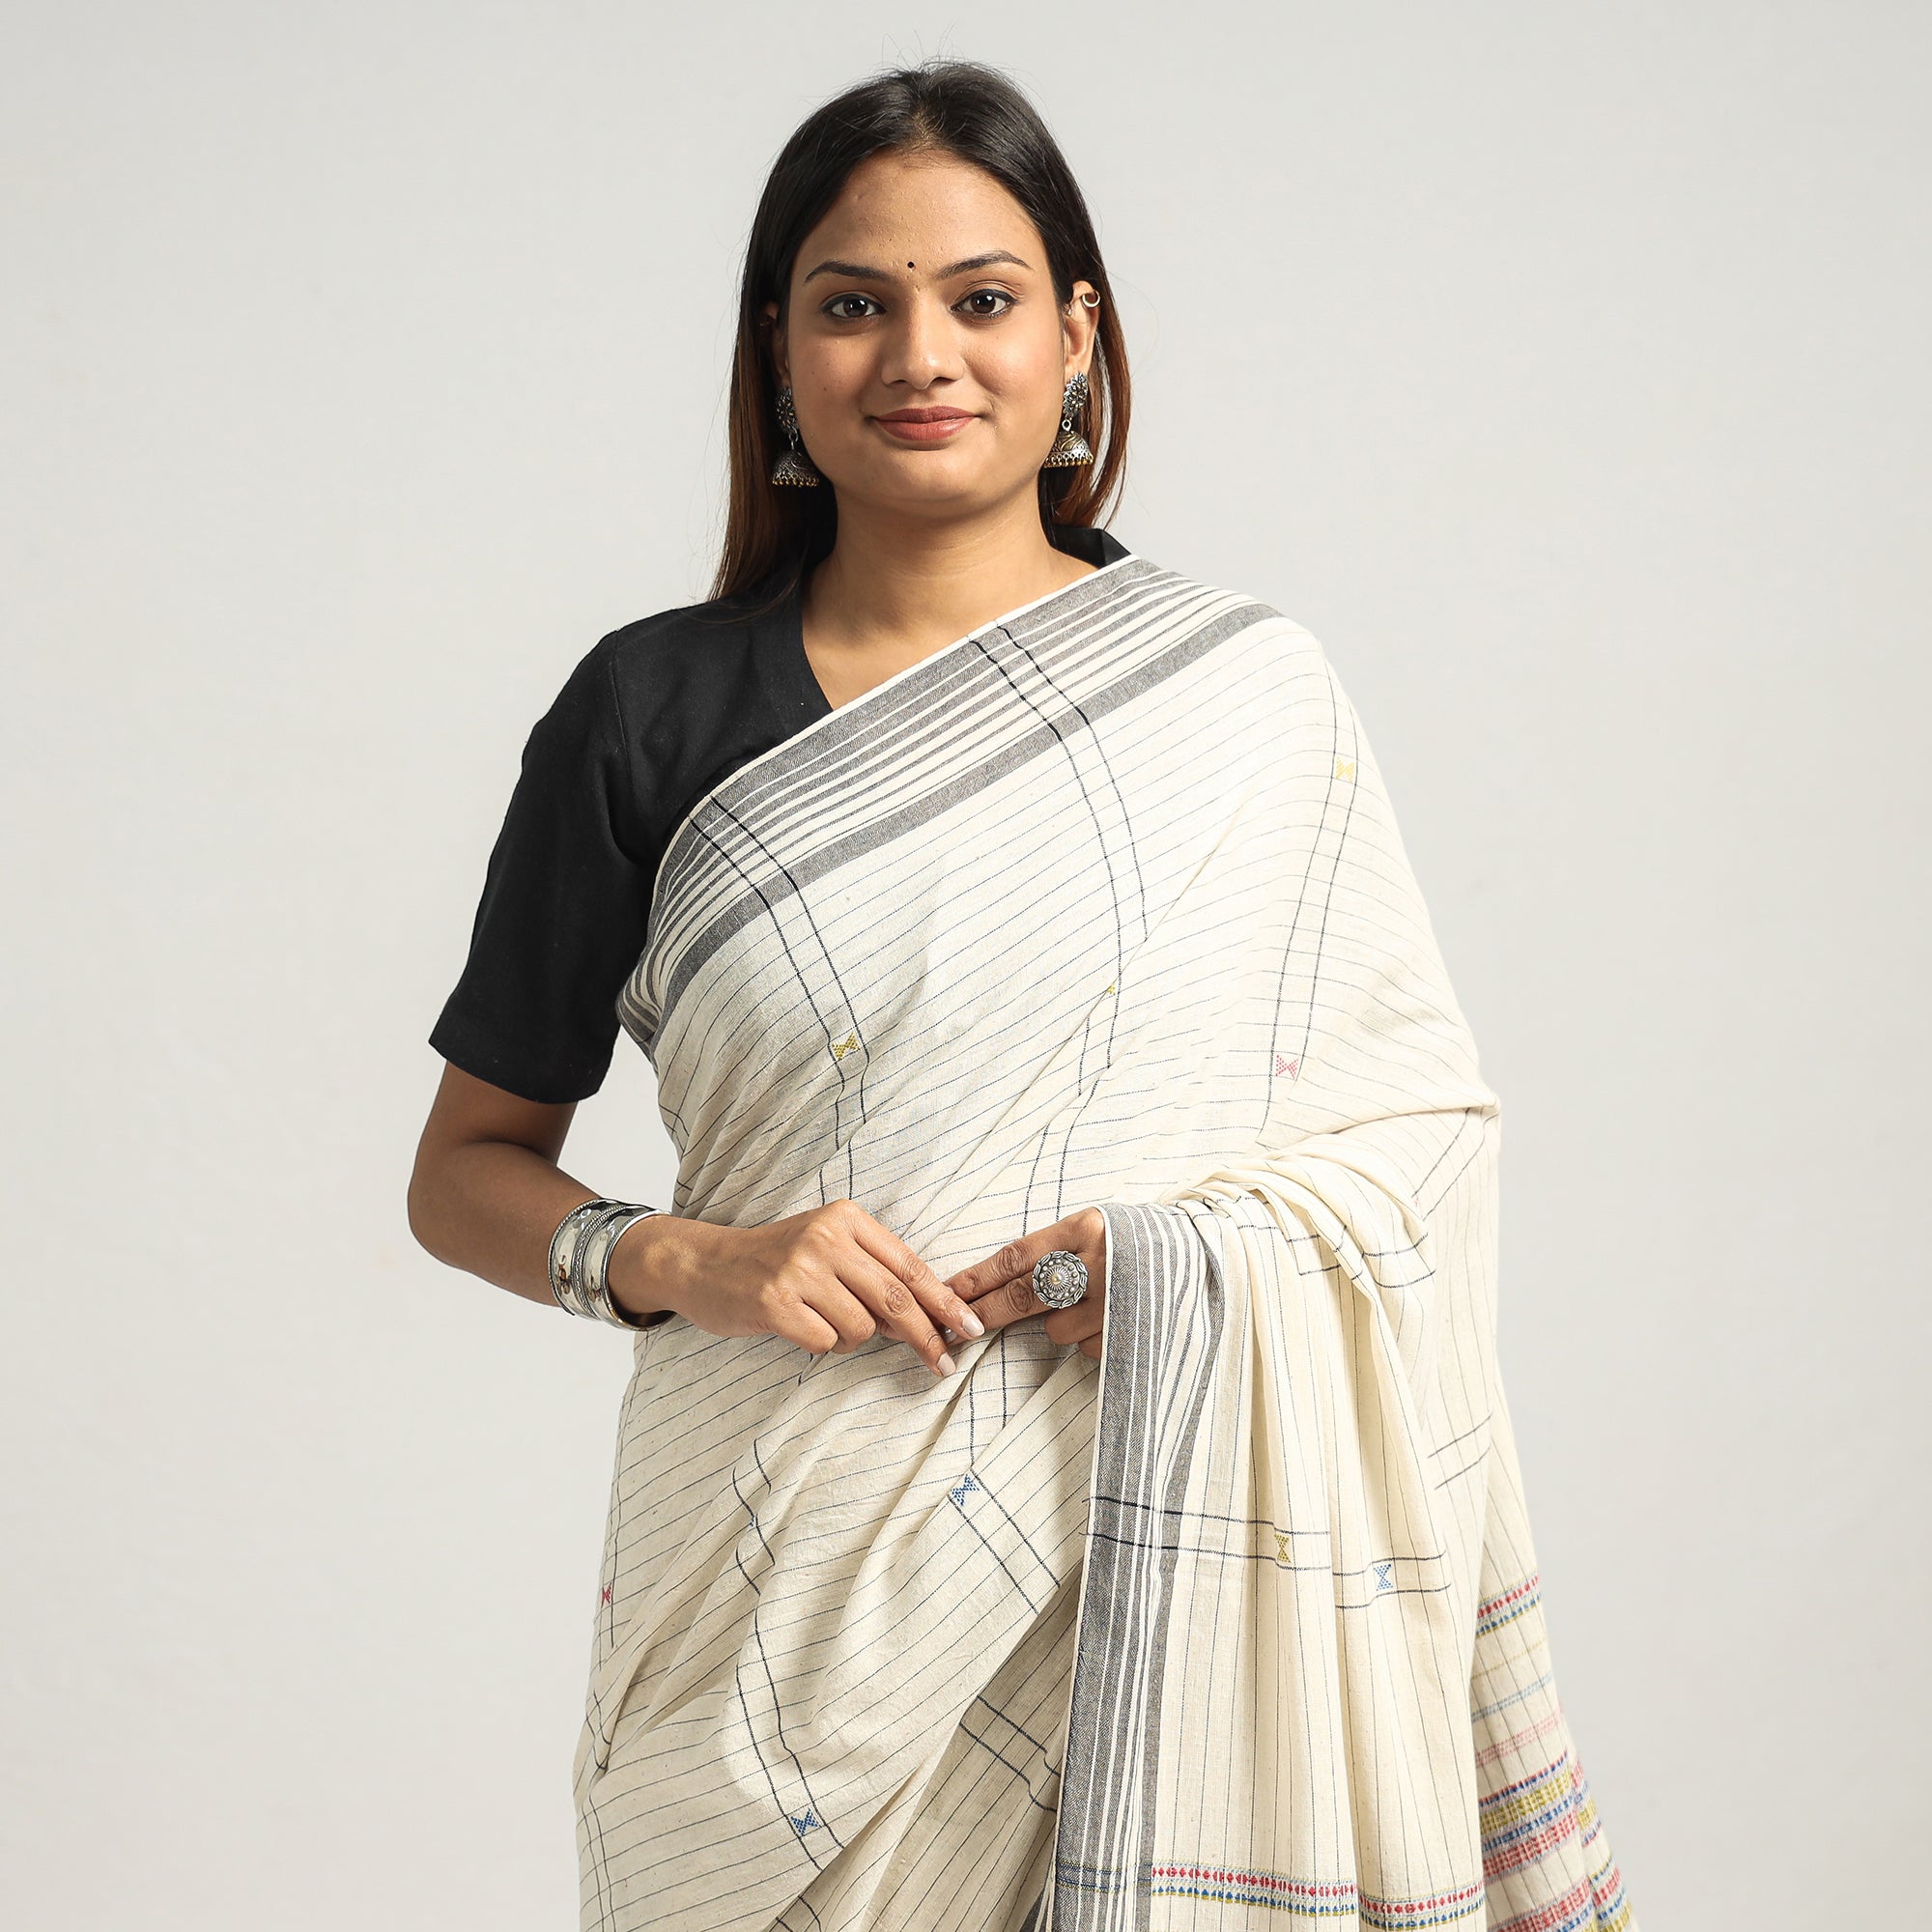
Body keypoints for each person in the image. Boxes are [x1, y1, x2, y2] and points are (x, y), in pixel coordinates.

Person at [408, 58, 1636, 1932]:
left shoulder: (1244, 697)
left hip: (1167, 1540)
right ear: (779, 356)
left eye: (980, 299)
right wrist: (694, 1258)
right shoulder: (645, 714)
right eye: (852, 304)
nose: (922, 354)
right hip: (779, 1594)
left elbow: (1421, 1147)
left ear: (1075, 340)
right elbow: (462, 1172)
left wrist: (1183, 1273)